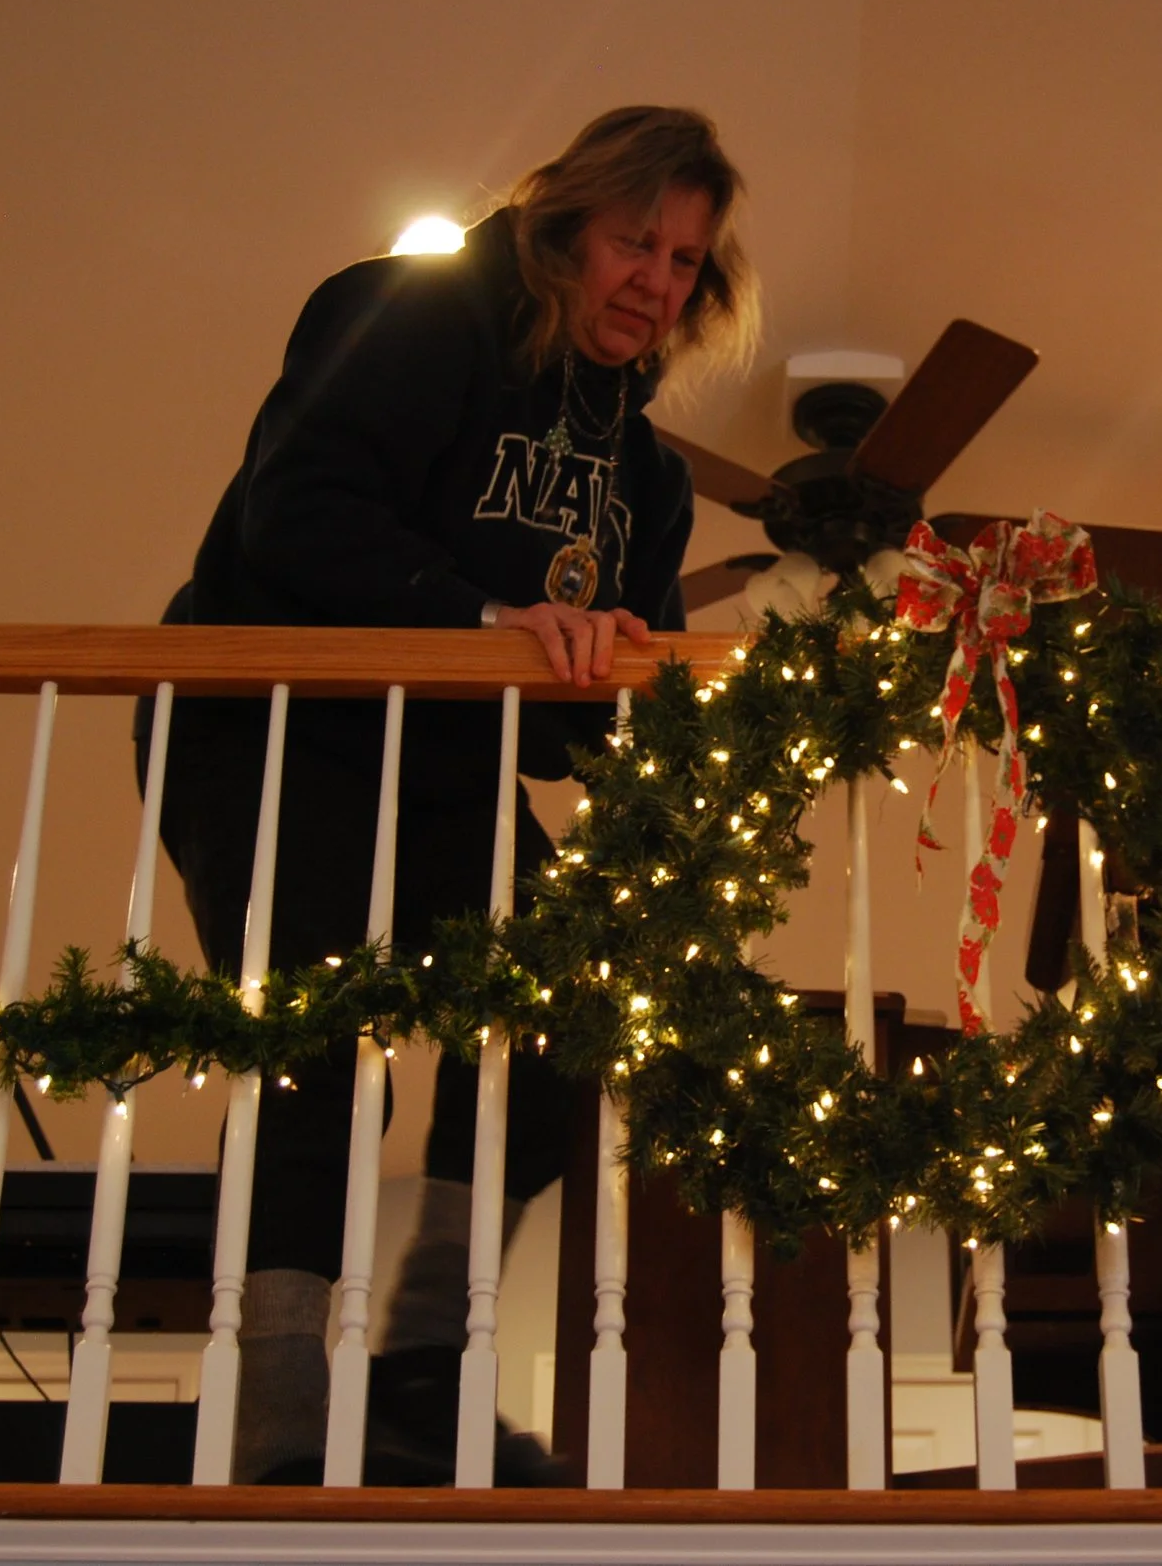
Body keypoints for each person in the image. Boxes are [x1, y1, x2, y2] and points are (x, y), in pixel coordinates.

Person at [138, 106, 757, 1484]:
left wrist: (639, 696)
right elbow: (294, 514)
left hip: (444, 759)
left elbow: (584, 722)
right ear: (564, 227)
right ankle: (279, 1409)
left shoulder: (647, 477)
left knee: (564, 1008)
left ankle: (424, 1360)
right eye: (635, 242)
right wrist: (485, 618)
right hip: (272, 727)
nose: (657, 282)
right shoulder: (412, 317)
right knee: (315, 1045)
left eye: (685, 261)